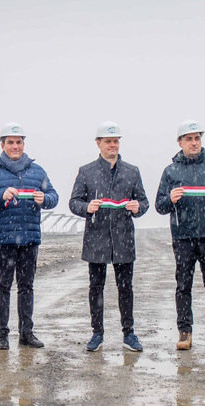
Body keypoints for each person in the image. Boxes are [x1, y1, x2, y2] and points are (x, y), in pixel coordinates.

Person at [0, 122, 59, 350]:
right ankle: (2, 333)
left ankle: (26, 332)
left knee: (26, 286)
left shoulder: (37, 171)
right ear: (2, 145)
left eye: (18, 142)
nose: (15, 146)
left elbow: (53, 196)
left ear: (23, 144)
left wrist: (45, 200)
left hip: (29, 238)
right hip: (3, 239)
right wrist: (0, 195)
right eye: (10, 142)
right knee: (2, 286)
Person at [155, 120, 205, 351]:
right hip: (183, 237)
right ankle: (185, 332)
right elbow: (159, 206)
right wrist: (170, 199)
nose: (194, 143)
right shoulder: (170, 171)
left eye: (197, 138)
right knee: (183, 285)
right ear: (180, 142)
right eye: (189, 139)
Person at [69, 121, 148, 352]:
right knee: (96, 287)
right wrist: (87, 207)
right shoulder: (87, 172)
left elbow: (144, 202)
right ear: (98, 144)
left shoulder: (132, 171)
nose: (112, 145)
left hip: (123, 238)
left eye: (115, 141)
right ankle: (97, 333)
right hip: (96, 238)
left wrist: (137, 207)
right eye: (108, 141)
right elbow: (74, 202)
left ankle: (129, 333)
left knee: (126, 288)